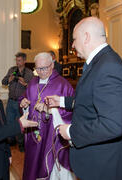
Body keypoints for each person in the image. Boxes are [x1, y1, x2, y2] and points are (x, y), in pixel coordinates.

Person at [46, 17, 122, 180]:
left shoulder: (109, 67)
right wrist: (61, 101)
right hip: (97, 161)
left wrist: (71, 131)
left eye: (74, 39)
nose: (72, 45)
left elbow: (112, 125)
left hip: (105, 165)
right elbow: (91, 101)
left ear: (86, 37)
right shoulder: (100, 63)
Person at [20, 52, 75, 180]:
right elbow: (25, 98)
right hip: (34, 134)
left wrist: (51, 110)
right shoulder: (32, 83)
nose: (41, 72)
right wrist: (24, 104)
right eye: (38, 68)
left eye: (44, 68)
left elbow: (71, 112)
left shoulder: (63, 85)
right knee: (33, 164)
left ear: (52, 65)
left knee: (51, 168)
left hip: (53, 136)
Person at [2, 52, 34, 151]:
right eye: (16, 60)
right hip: (11, 101)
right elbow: (3, 82)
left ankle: (21, 143)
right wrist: (9, 79)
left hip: (21, 103)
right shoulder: (12, 70)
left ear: (24, 61)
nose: (17, 62)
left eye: (19, 60)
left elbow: (32, 88)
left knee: (20, 123)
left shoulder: (29, 72)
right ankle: (11, 141)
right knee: (9, 121)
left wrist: (25, 83)